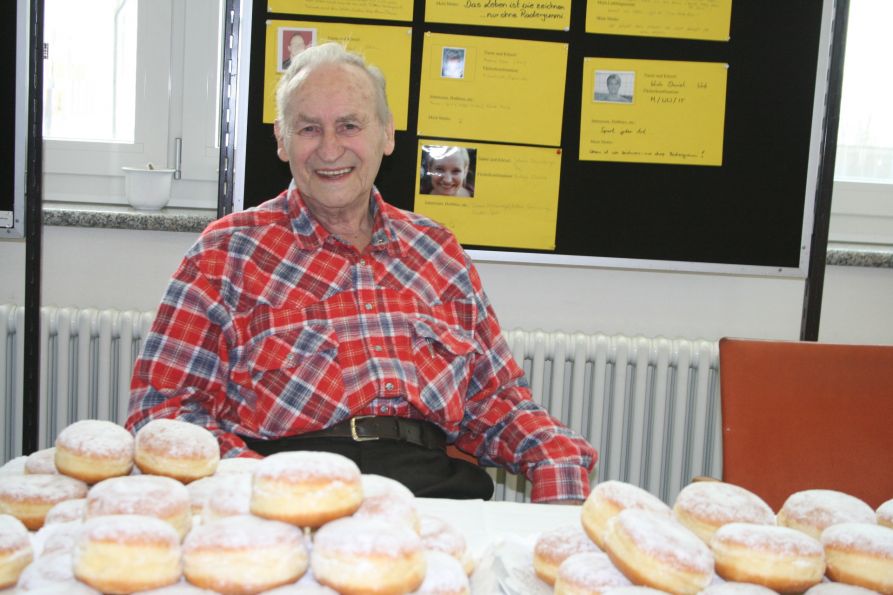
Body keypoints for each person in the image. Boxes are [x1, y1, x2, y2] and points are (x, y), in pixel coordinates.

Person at [125, 42, 596, 503]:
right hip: (290, 492)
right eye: (309, 128)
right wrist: (260, 482)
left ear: (386, 135)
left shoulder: (437, 252)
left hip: (429, 496)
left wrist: (556, 458)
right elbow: (161, 413)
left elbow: (498, 400)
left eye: (349, 125)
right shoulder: (227, 253)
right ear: (282, 141)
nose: (330, 149)